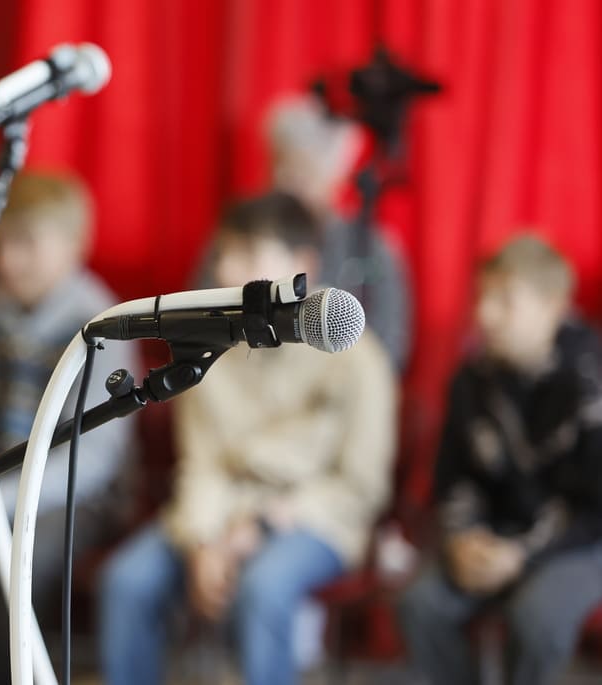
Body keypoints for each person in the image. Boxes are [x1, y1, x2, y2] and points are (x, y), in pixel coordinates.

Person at [99, 192, 397, 685]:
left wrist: (259, 528)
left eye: (248, 254)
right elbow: (201, 465)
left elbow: (360, 486)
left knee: (264, 586)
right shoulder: (210, 353)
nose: (227, 269)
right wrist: (203, 542)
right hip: (215, 514)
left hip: (314, 518)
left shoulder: (358, 359)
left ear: (301, 264)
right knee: (126, 582)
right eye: (226, 253)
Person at [0, 171, 136, 684]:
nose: (7, 260)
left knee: (22, 565)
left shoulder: (105, 326)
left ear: (73, 244)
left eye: (25, 243)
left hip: (73, 494)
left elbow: (90, 460)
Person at [398, 235, 602, 685]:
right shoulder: (472, 379)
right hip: (492, 535)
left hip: (577, 542)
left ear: (552, 306)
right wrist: (460, 539)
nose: (485, 315)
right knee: (420, 605)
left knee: (536, 620)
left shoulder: (591, 379)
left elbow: (594, 508)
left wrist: (523, 555)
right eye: (483, 297)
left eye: (505, 300)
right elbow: (452, 479)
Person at [266, 93, 412, 370]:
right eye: (277, 166)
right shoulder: (245, 233)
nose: (284, 181)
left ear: (334, 177)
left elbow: (391, 345)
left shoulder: (370, 247)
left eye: (300, 172)